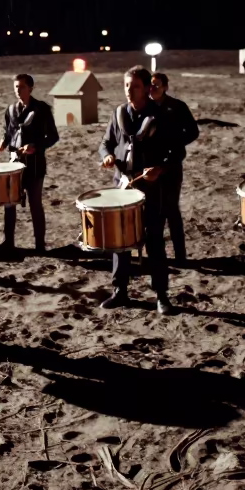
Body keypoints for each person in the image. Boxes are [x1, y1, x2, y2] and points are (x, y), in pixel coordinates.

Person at [99, 67, 175, 314]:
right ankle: (120, 291)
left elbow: (176, 152)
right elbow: (105, 143)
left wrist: (160, 169)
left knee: (154, 240)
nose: (129, 90)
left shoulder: (161, 115)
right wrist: (108, 155)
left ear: (146, 89)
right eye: (126, 86)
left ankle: (161, 295)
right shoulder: (119, 113)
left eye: (135, 86)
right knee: (120, 241)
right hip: (122, 185)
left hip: (151, 188)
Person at [0, 73, 58, 254]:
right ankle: (9, 242)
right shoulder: (11, 110)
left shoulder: (42, 109)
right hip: (14, 165)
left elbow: (53, 136)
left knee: (35, 204)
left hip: (35, 164)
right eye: (16, 87)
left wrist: (36, 147)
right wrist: (2, 144)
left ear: (30, 88)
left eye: (22, 87)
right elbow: (8, 133)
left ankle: (39, 245)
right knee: (9, 203)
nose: (18, 90)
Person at [150, 72, 199, 263]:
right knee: (155, 211)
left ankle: (180, 256)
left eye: (157, 85)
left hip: (171, 164)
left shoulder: (177, 107)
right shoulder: (145, 108)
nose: (153, 89)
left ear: (165, 87)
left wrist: (177, 144)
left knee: (171, 209)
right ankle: (158, 254)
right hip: (151, 166)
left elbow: (193, 131)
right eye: (151, 85)